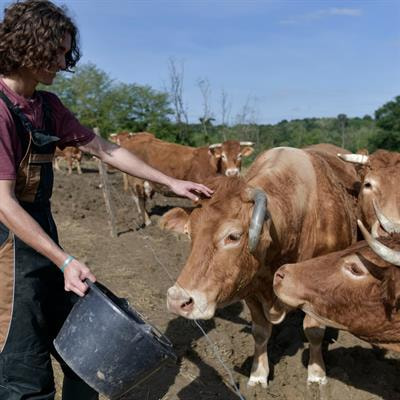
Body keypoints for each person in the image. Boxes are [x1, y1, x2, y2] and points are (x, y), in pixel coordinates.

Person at [0, 1, 212, 399]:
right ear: (29, 45)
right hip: (6, 261)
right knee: (24, 375)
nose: (64, 63)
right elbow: (4, 204)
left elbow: (104, 149)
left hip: (43, 248)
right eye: (57, 52)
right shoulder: (0, 112)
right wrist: (64, 260)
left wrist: (171, 182)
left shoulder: (48, 107)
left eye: (67, 53)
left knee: (97, 350)